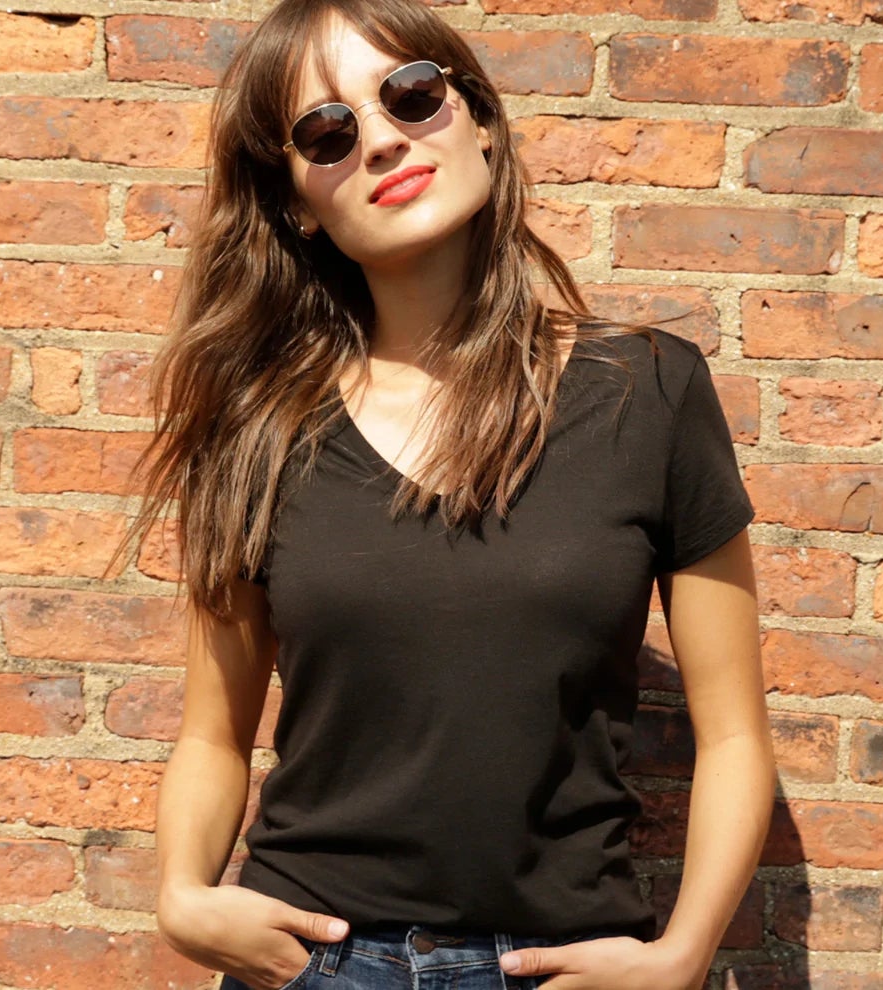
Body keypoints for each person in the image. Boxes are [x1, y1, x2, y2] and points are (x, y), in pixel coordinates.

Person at [111, 0, 775, 986]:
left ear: (481, 121)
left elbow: (735, 737)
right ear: (297, 203)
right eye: (327, 133)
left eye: (411, 94)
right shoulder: (259, 430)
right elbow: (214, 733)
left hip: (557, 965)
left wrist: (682, 956)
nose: (382, 140)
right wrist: (181, 895)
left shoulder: (648, 392)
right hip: (318, 963)